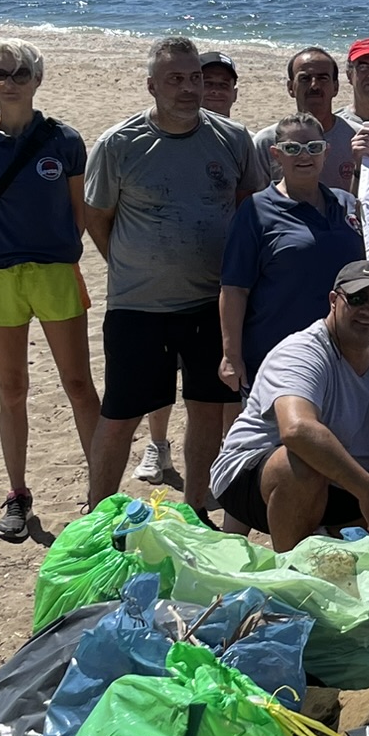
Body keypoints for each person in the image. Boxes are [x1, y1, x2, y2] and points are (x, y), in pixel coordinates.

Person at [84, 36, 265, 516]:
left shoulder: (232, 138)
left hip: (210, 305)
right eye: (175, 80)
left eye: (195, 78)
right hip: (137, 307)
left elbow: (249, 208)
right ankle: (97, 514)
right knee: (121, 414)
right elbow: (97, 218)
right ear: (151, 86)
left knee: (206, 411)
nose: (189, 89)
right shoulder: (119, 144)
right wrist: (133, 264)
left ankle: (195, 510)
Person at [0, 39, 101, 540]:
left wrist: (50, 248)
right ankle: (17, 493)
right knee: (11, 389)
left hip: (54, 272)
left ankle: (101, 495)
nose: (9, 82)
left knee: (78, 385)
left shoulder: (64, 140)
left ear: (38, 79)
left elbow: (77, 213)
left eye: (19, 73)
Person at [210, 260, 369, 550]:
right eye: (358, 298)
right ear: (334, 301)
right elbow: (297, 430)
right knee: (303, 460)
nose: (368, 310)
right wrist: (368, 491)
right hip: (247, 476)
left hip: (334, 484)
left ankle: (321, 546)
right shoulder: (302, 352)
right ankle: (292, 576)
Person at [220, 112, 366, 394]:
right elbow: (235, 289)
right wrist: (231, 356)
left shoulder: (346, 205)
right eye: (292, 149)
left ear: (326, 152)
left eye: (313, 148)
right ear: (276, 154)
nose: (304, 156)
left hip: (345, 356)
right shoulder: (255, 211)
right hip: (277, 358)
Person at [254, 47, 360, 192]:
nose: (314, 85)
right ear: (291, 87)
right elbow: (256, 202)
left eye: (323, 78)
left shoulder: (357, 138)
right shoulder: (266, 142)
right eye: (305, 78)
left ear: (335, 87)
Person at [199, 50, 240, 117]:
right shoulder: (177, 127)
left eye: (224, 85)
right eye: (208, 83)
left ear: (235, 94)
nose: (216, 90)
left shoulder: (239, 128)